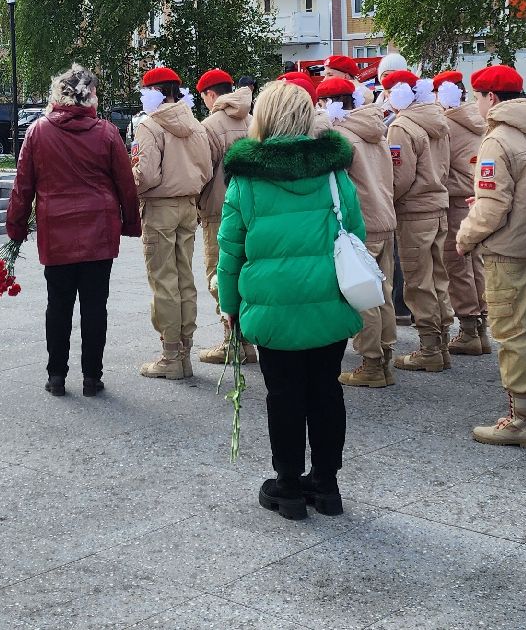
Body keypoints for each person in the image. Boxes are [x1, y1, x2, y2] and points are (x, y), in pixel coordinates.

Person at [215, 78, 365, 520]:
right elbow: (356, 233)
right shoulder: (334, 173)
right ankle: (327, 485)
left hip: (270, 305)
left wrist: (229, 304)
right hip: (328, 302)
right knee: (325, 390)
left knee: (282, 394)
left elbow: (231, 251)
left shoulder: (246, 180)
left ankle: (288, 488)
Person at [5, 65, 142, 397]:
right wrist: (130, 223)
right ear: (91, 95)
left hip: (57, 232)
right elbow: (126, 185)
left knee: (58, 305)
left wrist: (17, 227)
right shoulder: (107, 132)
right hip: (99, 231)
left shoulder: (38, 132)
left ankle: (56, 376)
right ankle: (92, 378)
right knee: (96, 305)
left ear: (58, 94)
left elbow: (23, 187)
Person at [453, 65, 526, 448]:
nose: (475, 104)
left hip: (506, 248)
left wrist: (466, 236)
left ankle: (522, 420)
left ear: (492, 99)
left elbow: (492, 208)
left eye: (478, 96)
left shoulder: (498, 140)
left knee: (513, 332)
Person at [316, 76, 399, 388]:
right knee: (383, 290)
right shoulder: (375, 128)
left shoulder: (340, 137)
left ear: (327, 104)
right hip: (385, 217)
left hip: (361, 222)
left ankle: (372, 362)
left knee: (362, 293)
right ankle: (385, 355)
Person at [132, 65, 214, 379]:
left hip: (159, 207)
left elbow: (146, 174)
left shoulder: (149, 126)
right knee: (184, 278)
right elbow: (206, 170)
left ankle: (170, 356)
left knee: (163, 280)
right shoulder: (195, 124)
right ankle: (186, 352)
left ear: (153, 92)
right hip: (188, 206)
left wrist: (131, 186)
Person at [381, 68, 451, 373]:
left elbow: (401, 177)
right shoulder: (437, 120)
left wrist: (385, 198)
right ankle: (443, 340)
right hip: (438, 205)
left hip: (413, 211)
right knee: (438, 278)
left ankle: (429, 348)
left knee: (417, 281)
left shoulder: (401, 127)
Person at [195, 68, 255, 366]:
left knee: (219, 277)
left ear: (210, 94)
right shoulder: (253, 119)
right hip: (253, 210)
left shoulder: (211, 125)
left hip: (220, 211)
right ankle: (246, 341)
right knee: (245, 273)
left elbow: (204, 172)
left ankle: (231, 341)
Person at [433, 70, 490, 357]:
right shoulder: (477, 119)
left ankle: (468, 328)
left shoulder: (448, 124)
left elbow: (443, 168)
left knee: (456, 265)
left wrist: (438, 185)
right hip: (476, 199)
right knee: (474, 263)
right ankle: (480, 326)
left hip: (456, 201)